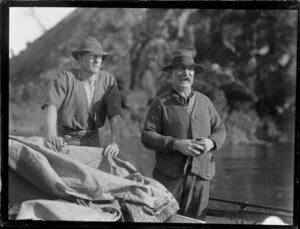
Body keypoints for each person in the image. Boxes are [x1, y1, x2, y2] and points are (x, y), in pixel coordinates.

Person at [141, 49, 226, 220]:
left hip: (201, 178)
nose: (186, 73)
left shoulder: (205, 101)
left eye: (190, 69)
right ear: (171, 73)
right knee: (166, 219)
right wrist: (176, 144)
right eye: (180, 69)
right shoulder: (160, 103)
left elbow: (221, 129)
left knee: (197, 221)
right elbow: (147, 136)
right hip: (169, 178)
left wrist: (211, 143)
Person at [42, 36, 122, 156]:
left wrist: (115, 143)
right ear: (80, 57)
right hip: (67, 142)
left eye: (99, 57)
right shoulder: (65, 78)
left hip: (94, 141)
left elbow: (115, 114)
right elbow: (51, 106)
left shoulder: (108, 81)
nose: (96, 60)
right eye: (92, 55)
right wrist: (52, 136)